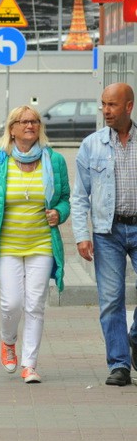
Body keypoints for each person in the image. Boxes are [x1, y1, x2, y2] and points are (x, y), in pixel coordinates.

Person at [0, 105, 70, 384]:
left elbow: (64, 198)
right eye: (24, 121)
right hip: (7, 246)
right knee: (11, 303)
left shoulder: (55, 161)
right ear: (12, 129)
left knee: (35, 304)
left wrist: (59, 212)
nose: (30, 125)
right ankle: (8, 340)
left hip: (42, 244)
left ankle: (30, 364)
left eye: (35, 121)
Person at [71, 82, 137, 387]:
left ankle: (133, 339)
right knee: (111, 299)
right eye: (103, 104)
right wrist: (81, 235)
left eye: (111, 105)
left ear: (128, 107)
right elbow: (79, 195)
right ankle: (119, 364)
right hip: (106, 232)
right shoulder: (92, 145)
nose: (105, 111)